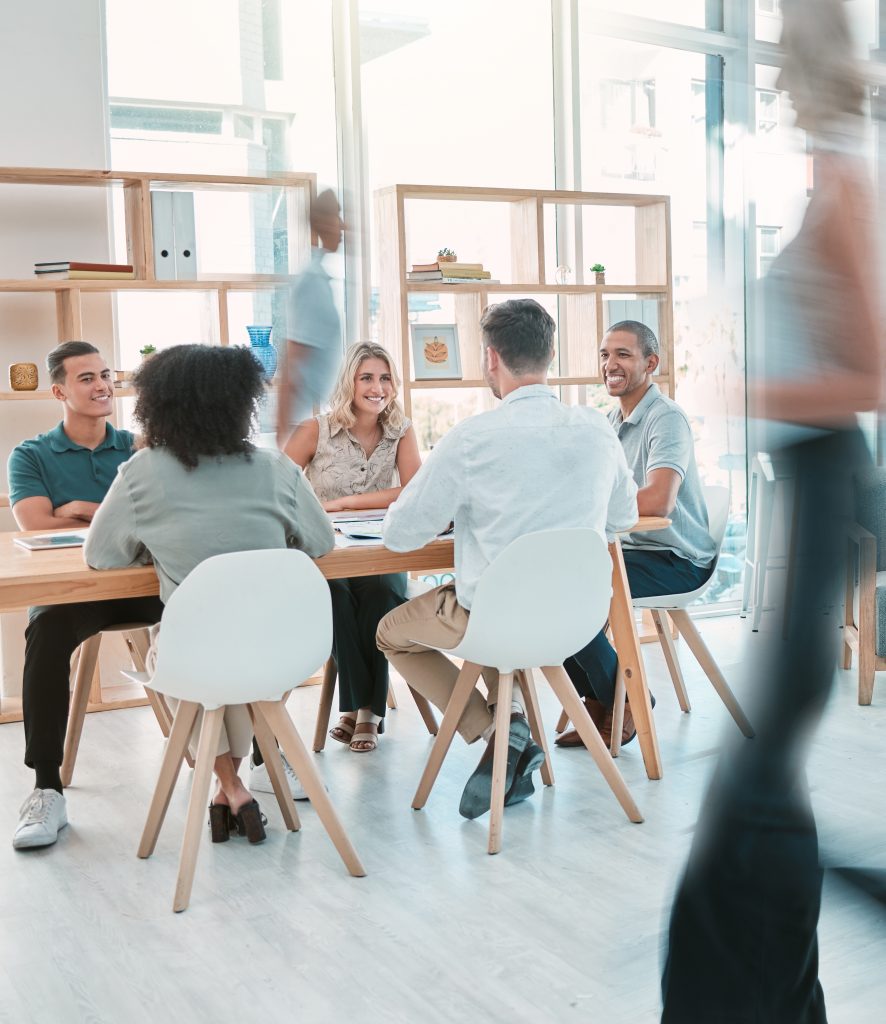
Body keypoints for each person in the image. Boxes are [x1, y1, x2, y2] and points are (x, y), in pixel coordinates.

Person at [661, 2, 882, 1020]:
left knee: (752, 785)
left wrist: (737, 393)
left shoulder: (842, 181)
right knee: (755, 777)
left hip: (826, 481)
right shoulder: (825, 177)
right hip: (807, 485)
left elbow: (871, 374)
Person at [376, 298, 638, 819]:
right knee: (506, 613)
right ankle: (509, 729)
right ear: (552, 354)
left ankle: (498, 731)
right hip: (575, 622)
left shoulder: (472, 438)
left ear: (491, 359)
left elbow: (401, 536)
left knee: (389, 632)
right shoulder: (596, 429)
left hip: (494, 621)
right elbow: (623, 518)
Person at [85, 344, 334, 844]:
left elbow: (102, 556)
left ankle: (230, 787)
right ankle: (229, 790)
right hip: (279, 650)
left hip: (193, 654)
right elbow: (321, 543)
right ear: (241, 403)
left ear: (159, 404)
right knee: (237, 672)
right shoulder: (277, 469)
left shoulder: (141, 473)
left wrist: (155, 547)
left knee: (188, 654)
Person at [8, 341, 164, 851]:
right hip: (73, 595)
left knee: (211, 607)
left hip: (142, 587)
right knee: (47, 632)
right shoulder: (30, 455)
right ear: (58, 390)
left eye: (105, 375)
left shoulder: (141, 446)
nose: (102, 386)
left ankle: (258, 755)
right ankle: (47, 789)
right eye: (86, 378)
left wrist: (77, 508)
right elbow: (34, 525)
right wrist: (111, 512)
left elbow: (163, 517)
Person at [556, 320, 715, 750]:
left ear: (651, 363)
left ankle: (623, 702)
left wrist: (587, 505)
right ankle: (603, 699)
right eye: (605, 354)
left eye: (623, 355)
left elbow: (660, 501)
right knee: (552, 586)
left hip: (677, 560)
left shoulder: (667, 421)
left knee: (577, 594)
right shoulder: (609, 421)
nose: (610, 364)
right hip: (630, 552)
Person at [284, 342, 421, 752]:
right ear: (349, 383)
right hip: (325, 555)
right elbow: (277, 488)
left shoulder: (401, 430)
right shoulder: (314, 431)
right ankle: (363, 710)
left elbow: (414, 491)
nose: (377, 387)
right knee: (336, 596)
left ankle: (362, 713)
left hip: (379, 552)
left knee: (381, 593)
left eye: (384, 378)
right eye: (366, 378)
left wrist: (346, 503)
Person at [275, 188, 345, 445]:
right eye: (337, 216)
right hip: (304, 423)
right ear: (322, 222)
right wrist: (283, 440)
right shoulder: (312, 282)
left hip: (313, 421)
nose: (343, 226)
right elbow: (293, 362)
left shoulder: (322, 279)